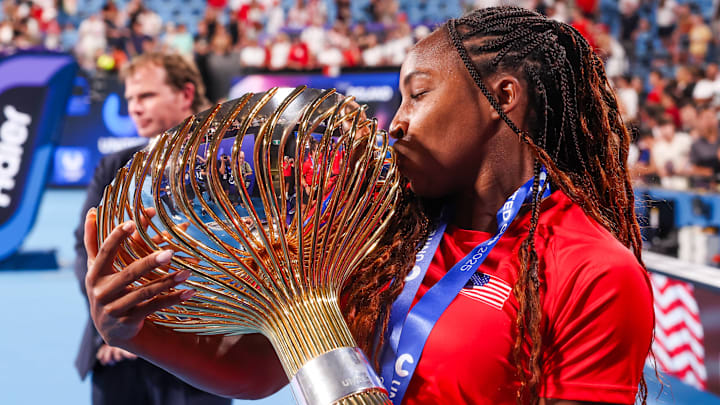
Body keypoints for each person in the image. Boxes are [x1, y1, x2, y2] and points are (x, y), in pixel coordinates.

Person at [80, 7, 654, 405]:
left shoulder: (593, 271)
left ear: (502, 96)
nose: (397, 122)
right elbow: (257, 369)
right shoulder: (378, 237)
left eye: (418, 93)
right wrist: (135, 333)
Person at [72, 52, 231, 405]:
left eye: (146, 96)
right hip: (118, 355)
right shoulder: (114, 165)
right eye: (129, 98)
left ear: (186, 94)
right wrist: (118, 323)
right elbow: (86, 252)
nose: (134, 108)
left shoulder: (228, 163)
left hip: (203, 352)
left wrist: (154, 334)